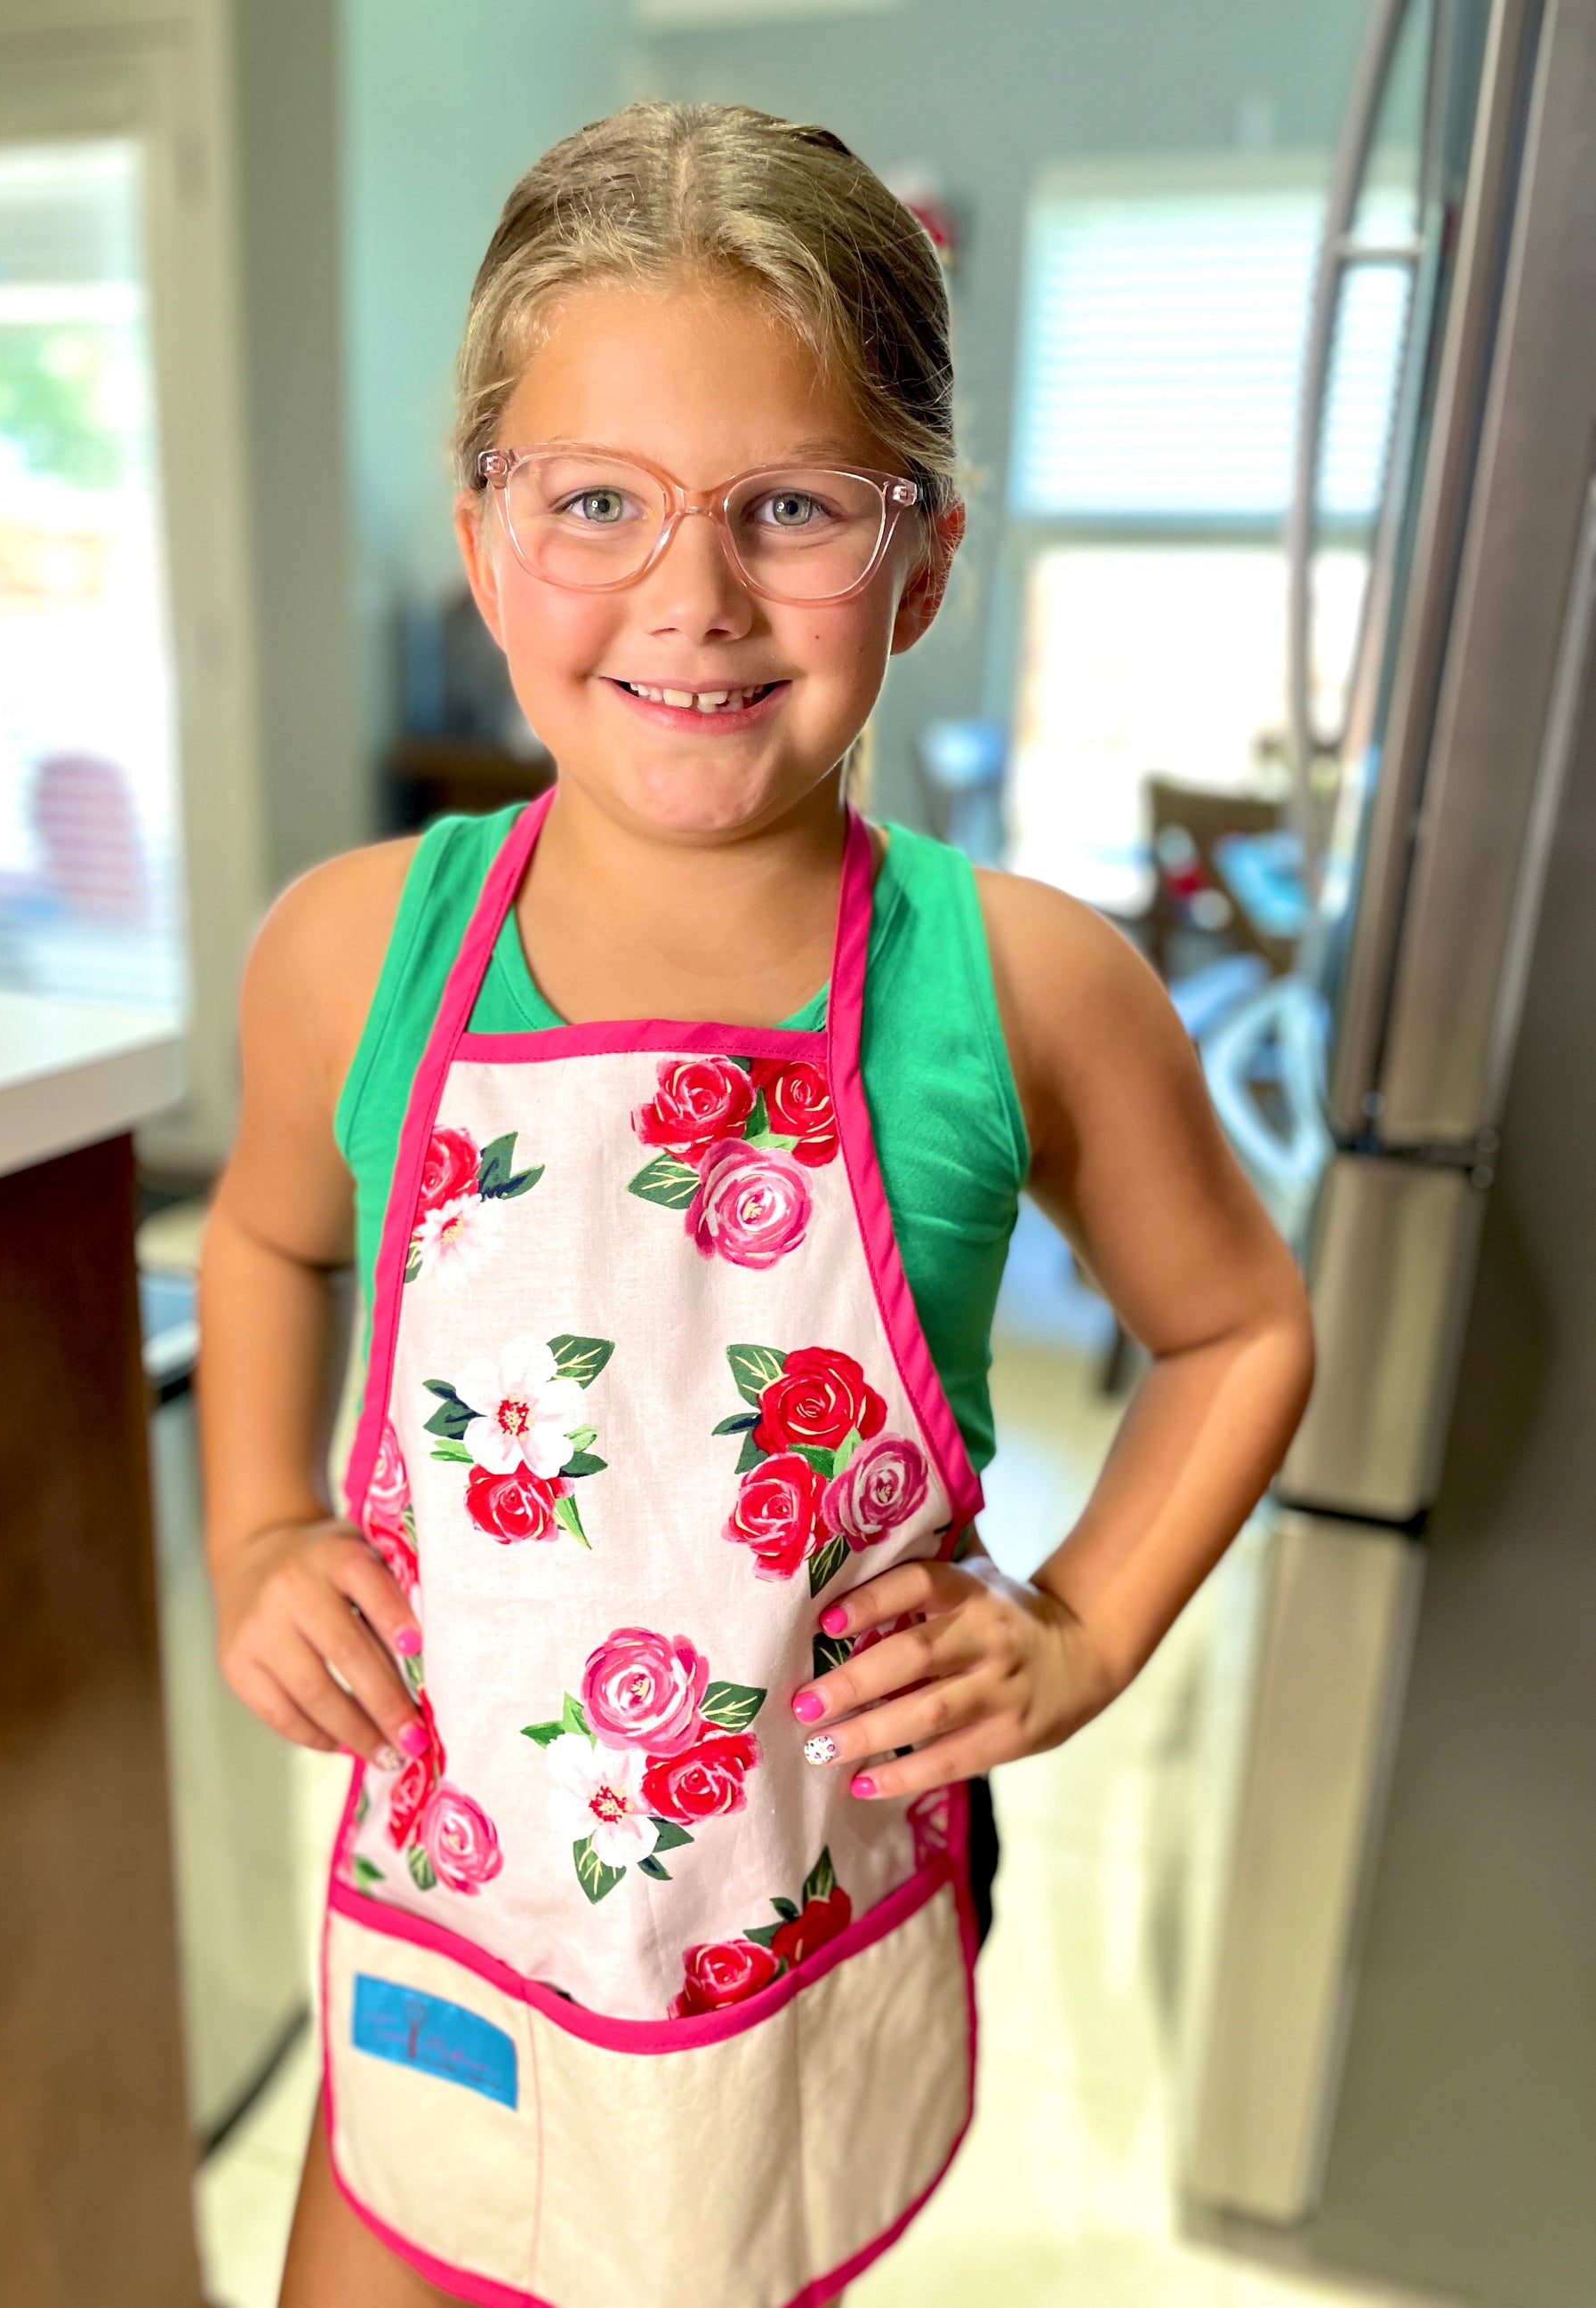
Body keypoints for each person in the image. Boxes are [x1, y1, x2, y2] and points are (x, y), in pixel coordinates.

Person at [197, 101, 1313, 2308]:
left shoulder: (1024, 991)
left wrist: (1081, 1626)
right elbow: (263, 1234)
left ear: (923, 559)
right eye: (594, 499)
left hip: (794, 1903)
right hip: (461, 1879)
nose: (690, 597)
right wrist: (252, 1529)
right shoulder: (352, 948)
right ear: (485, 539)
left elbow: (1238, 1325)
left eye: (790, 506)